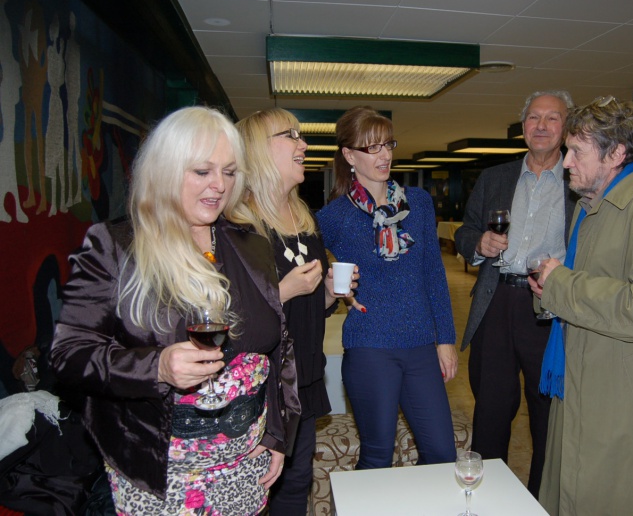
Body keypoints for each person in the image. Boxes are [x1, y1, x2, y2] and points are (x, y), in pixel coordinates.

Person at [49, 106, 301, 514]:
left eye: (229, 172)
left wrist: (277, 431)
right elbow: (68, 355)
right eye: (202, 171)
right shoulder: (113, 246)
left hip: (246, 467)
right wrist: (157, 367)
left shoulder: (250, 244)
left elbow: (278, 347)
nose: (219, 185)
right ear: (165, 170)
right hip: (160, 472)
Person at [530, 95, 633, 515]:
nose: (566, 162)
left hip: (625, 400)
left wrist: (561, 284)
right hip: (580, 384)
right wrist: (549, 290)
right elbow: (587, 292)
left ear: (616, 154)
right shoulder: (589, 208)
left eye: (577, 152)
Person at [316, 106, 458, 470]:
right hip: (370, 346)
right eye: (372, 147)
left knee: (442, 453)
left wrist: (445, 339)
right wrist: (330, 289)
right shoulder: (335, 216)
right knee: (378, 456)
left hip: (421, 344)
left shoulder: (419, 203)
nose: (384, 155)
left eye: (388, 145)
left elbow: (433, 273)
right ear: (349, 156)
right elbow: (306, 270)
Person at [233, 108, 357, 515]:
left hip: (301, 377)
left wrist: (327, 295)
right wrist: (284, 290)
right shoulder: (237, 225)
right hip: (261, 386)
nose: (303, 144)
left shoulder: (305, 220)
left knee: (296, 482)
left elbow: (308, 309)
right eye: (290, 135)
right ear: (258, 150)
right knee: (254, 492)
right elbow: (229, 318)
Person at [454, 90, 577, 497]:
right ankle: (488, 499)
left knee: (548, 415)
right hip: (497, 302)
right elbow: (465, 230)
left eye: (552, 118)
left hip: (550, 307)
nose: (541, 126)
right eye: (533, 118)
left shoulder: (578, 182)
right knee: (490, 409)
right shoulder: (495, 178)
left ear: (566, 127)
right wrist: (478, 243)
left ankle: (542, 500)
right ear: (522, 126)